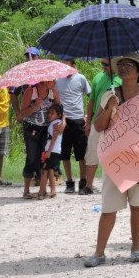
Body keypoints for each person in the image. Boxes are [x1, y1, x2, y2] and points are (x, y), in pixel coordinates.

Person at [84, 52, 139, 267]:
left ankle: (136, 250)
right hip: (115, 160)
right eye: (120, 64)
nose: (123, 68)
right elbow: (98, 126)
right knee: (108, 207)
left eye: (129, 64)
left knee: (138, 205)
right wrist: (110, 108)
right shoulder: (109, 95)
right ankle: (99, 253)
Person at [83, 59, 122, 194]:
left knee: (115, 154)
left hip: (115, 124)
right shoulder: (98, 77)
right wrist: (88, 122)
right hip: (97, 121)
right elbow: (91, 101)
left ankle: (116, 183)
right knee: (92, 153)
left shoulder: (123, 79)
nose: (103, 67)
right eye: (102, 64)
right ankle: (88, 185)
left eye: (106, 64)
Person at [19, 80, 60, 199]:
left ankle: (43, 190)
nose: (54, 81)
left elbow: (59, 108)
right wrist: (35, 107)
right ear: (44, 80)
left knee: (44, 158)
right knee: (31, 158)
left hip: (46, 130)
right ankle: (26, 190)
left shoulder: (52, 91)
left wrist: (61, 122)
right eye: (51, 79)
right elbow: (22, 113)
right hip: (31, 129)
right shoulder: (31, 91)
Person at [55, 59, 91, 195]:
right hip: (64, 120)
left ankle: (83, 181)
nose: (65, 68)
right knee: (64, 153)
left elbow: (90, 96)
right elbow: (56, 100)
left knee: (81, 154)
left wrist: (88, 116)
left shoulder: (81, 78)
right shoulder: (58, 80)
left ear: (73, 65)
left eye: (67, 65)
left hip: (78, 120)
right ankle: (69, 183)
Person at [37, 103, 63, 199]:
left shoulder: (56, 123)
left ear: (59, 115)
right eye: (49, 113)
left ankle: (41, 192)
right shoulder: (54, 123)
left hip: (52, 151)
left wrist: (49, 151)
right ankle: (53, 190)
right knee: (50, 169)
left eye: (52, 113)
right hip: (53, 150)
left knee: (44, 169)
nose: (49, 115)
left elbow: (54, 137)